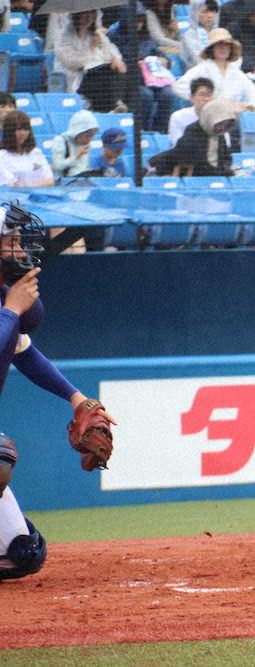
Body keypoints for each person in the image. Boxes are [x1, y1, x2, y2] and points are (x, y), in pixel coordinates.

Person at [0, 203, 113, 581]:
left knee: (22, 555)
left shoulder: (6, 302)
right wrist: (12, 311)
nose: (19, 250)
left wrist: (77, 398)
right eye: (10, 241)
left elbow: (24, 353)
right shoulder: (9, 307)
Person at [107, 6, 177, 133]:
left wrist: (165, 60)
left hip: (153, 80)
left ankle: (159, 132)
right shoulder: (114, 36)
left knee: (168, 94)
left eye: (141, 19)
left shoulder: (146, 36)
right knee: (146, 95)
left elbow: (159, 53)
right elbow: (115, 62)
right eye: (135, 19)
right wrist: (135, 64)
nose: (139, 23)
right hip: (129, 83)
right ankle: (140, 132)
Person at [172, 28, 255, 113]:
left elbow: (253, 93)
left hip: (232, 115)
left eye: (226, 45)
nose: (223, 48)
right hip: (208, 116)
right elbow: (178, 87)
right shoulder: (202, 69)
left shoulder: (237, 73)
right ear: (212, 49)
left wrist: (248, 105)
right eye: (219, 44)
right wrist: (204, 100)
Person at [53, 9, 128, 113]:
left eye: (92, 13)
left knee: (121, 69)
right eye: (85, 13)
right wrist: (91, 48)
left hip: (100, 75)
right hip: (77, 77)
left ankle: (118, 108)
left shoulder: (96, 34)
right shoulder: (63, 36)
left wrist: (115, 59)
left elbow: (111, 50)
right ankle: (114, 105)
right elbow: (71, 62)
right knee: (106, 72)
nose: (89, 17)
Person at [149, 98, 236, 177]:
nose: (221, 128)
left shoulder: (220, 135)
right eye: (219, 124)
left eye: (224, 125)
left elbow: (226, 157)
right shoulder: (193, 131)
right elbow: (191, 162)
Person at [0, 111, 54, 187]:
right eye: (18, 129)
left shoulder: (36, 152)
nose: (22, 133)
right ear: (9, 131)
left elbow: (49, 180)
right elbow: (13, 185)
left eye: (26, 129)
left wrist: (28, 186)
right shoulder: (2, 156)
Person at [50, 110, 99, 182]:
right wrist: (77, 155)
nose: (90, 140)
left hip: (84, 180)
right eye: (88, 136)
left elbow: (83, 167)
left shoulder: (84, 143)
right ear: (78, 131)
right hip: (66, 182)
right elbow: (58, 166)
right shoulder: (60, 140)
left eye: (92, 136)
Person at [169, 77, 215, 146]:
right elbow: (177, 143)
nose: (206, 99)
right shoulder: (178, 117)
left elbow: (225, 144)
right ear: (192, 98)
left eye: (209, 95)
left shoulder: (218, 118)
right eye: (202, 95)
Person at [179, 0, 218, 69]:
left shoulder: (219, 32)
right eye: (205, 12)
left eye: (213, 11)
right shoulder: (190, 34)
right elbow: (197, 59)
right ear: (195, 13)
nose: (210, 15)